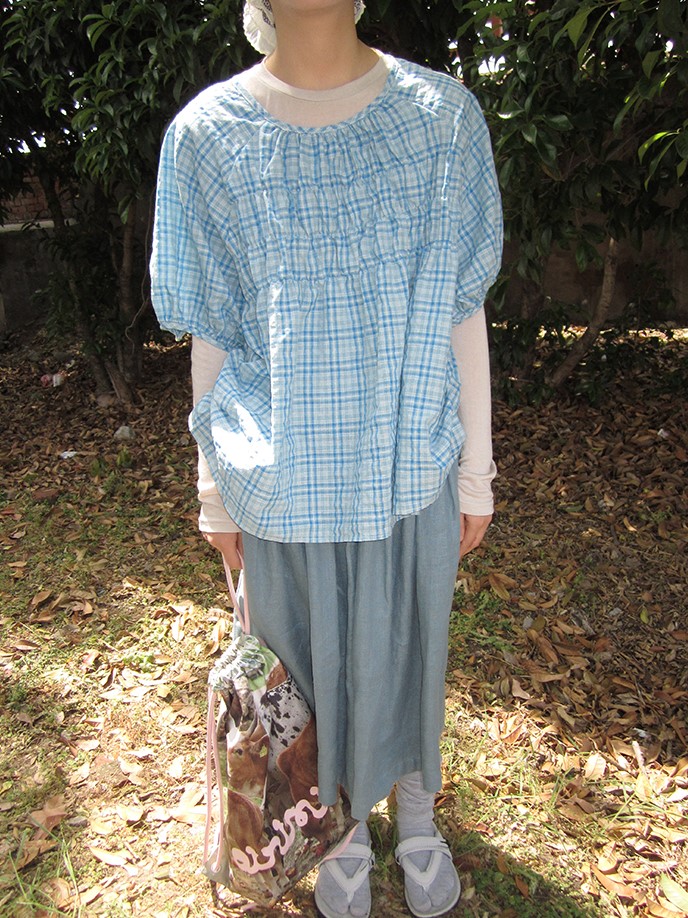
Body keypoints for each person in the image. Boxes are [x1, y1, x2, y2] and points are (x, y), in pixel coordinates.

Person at [150, 1, 502, 915]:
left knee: (408, 645)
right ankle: (340, 825)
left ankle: (415, 812)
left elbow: (462, 305)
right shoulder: (206, 137)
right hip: (279, 477)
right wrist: (213, 493)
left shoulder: (443, 119)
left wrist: (476, 470)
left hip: (406, 463)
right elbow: (213, 327)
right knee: (305, 667)